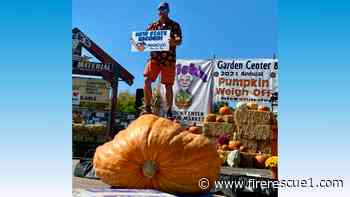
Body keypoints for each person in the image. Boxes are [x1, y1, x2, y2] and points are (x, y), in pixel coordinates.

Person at [142, 2, 182, 118]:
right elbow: (144, 40)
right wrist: (139, 43)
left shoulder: (174, 25)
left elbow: (179, 40)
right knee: (147, 79)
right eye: (160, 9)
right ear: (158, 11)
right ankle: (147, 107)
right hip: (154, 58)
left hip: (168, 59)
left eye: (164, 9)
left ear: (168, 11)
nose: (162, 11)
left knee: (168, 85)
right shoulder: (152, 26)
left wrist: (173, 41)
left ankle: (169, 111)